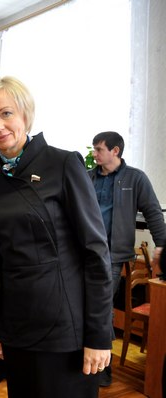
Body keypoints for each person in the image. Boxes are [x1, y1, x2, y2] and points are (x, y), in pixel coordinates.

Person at [0, 75, 112, 398]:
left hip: (65, 327)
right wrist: (0, 327)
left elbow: (95, 252)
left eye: (6, 113)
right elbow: (2, 258)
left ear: (24, 114)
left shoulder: (63, 163)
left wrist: (99, 335)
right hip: (18, 326)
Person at [88, 130, 166, 386]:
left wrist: (162, 245)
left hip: (112, 256)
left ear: (115, 151)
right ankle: (87, 360)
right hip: (85, 252)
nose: (95, 153)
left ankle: (102, 368)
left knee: (102, 307)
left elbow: (154, 212)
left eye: (99, 149)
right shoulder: (88, 178)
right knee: (85, 305)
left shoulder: (135, 178)